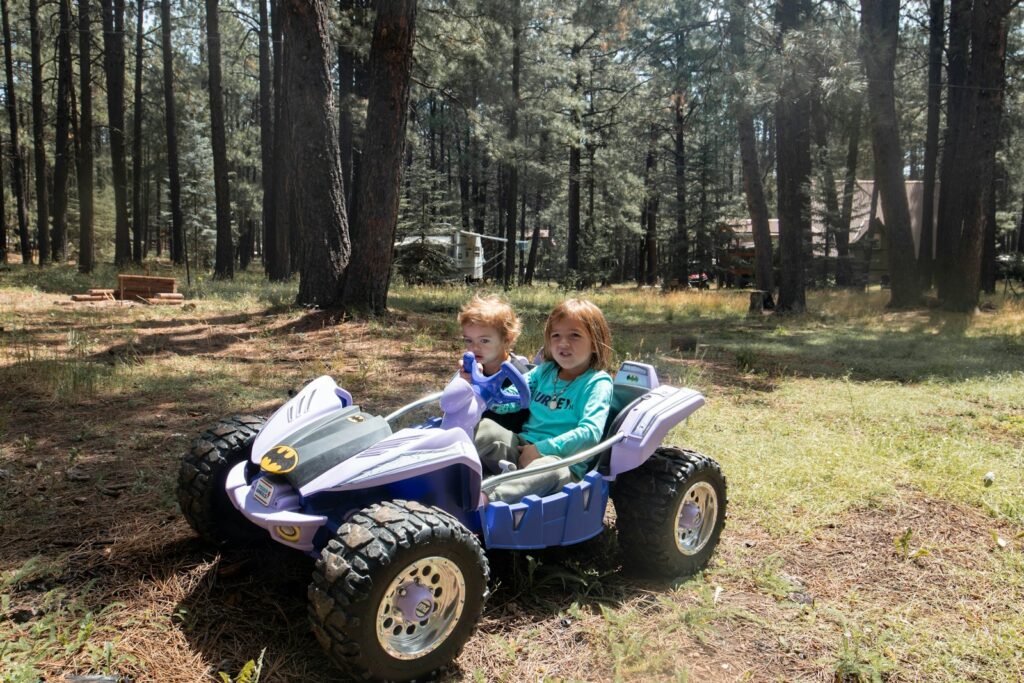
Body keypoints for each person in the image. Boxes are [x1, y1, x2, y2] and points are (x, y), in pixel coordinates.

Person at [475, 298, 613, 504]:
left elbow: (590, 433)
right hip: (522, 448)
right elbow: (511, 399)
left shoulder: (597, 383)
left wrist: (541, 450)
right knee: (485, 427)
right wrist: (487, 393)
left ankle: (484, 499)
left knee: (551, 469)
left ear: (595, 343)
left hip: (562, 463)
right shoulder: (544, 371)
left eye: (574, 335)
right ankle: (447, 469)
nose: (563, 343)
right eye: (556, 335)